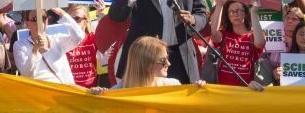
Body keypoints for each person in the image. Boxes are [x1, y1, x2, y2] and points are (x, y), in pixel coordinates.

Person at [90, 36, 255, 94]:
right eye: (162, 60)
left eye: (167, 58)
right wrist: (96, 97)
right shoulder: (117, 93)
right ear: (145, 64)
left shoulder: (173, 86)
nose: (168, 63)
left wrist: (199, 92)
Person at [13, 7, 84, 84]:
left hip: (65, 89)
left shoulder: (56, 40)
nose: (39, 22)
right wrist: (35, 49)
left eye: (43, 18)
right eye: (35, 19)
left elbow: (78, 37)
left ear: (46, 21)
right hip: (43, 92)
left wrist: (63, 14)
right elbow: (27, 74)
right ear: (27, 24)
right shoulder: (20, 45)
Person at [210, 0, 265, 86]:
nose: (235, 14)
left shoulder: (252, 36)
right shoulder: (225, 35)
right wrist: (219, 5)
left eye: (239, 11)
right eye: (231, 12)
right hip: (224, 89)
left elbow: (260, 43)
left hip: (246, 90)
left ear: (246, 13)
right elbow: (214, 33)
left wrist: (254, 12)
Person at [65, 4, 98, 88]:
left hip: (90, 90)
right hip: (70, 89)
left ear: (86, 20)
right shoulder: (62, 40)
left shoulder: (92, 38)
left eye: (77, 19)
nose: (73, 22)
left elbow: (108, 36)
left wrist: (100, 13)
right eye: (70, 19)